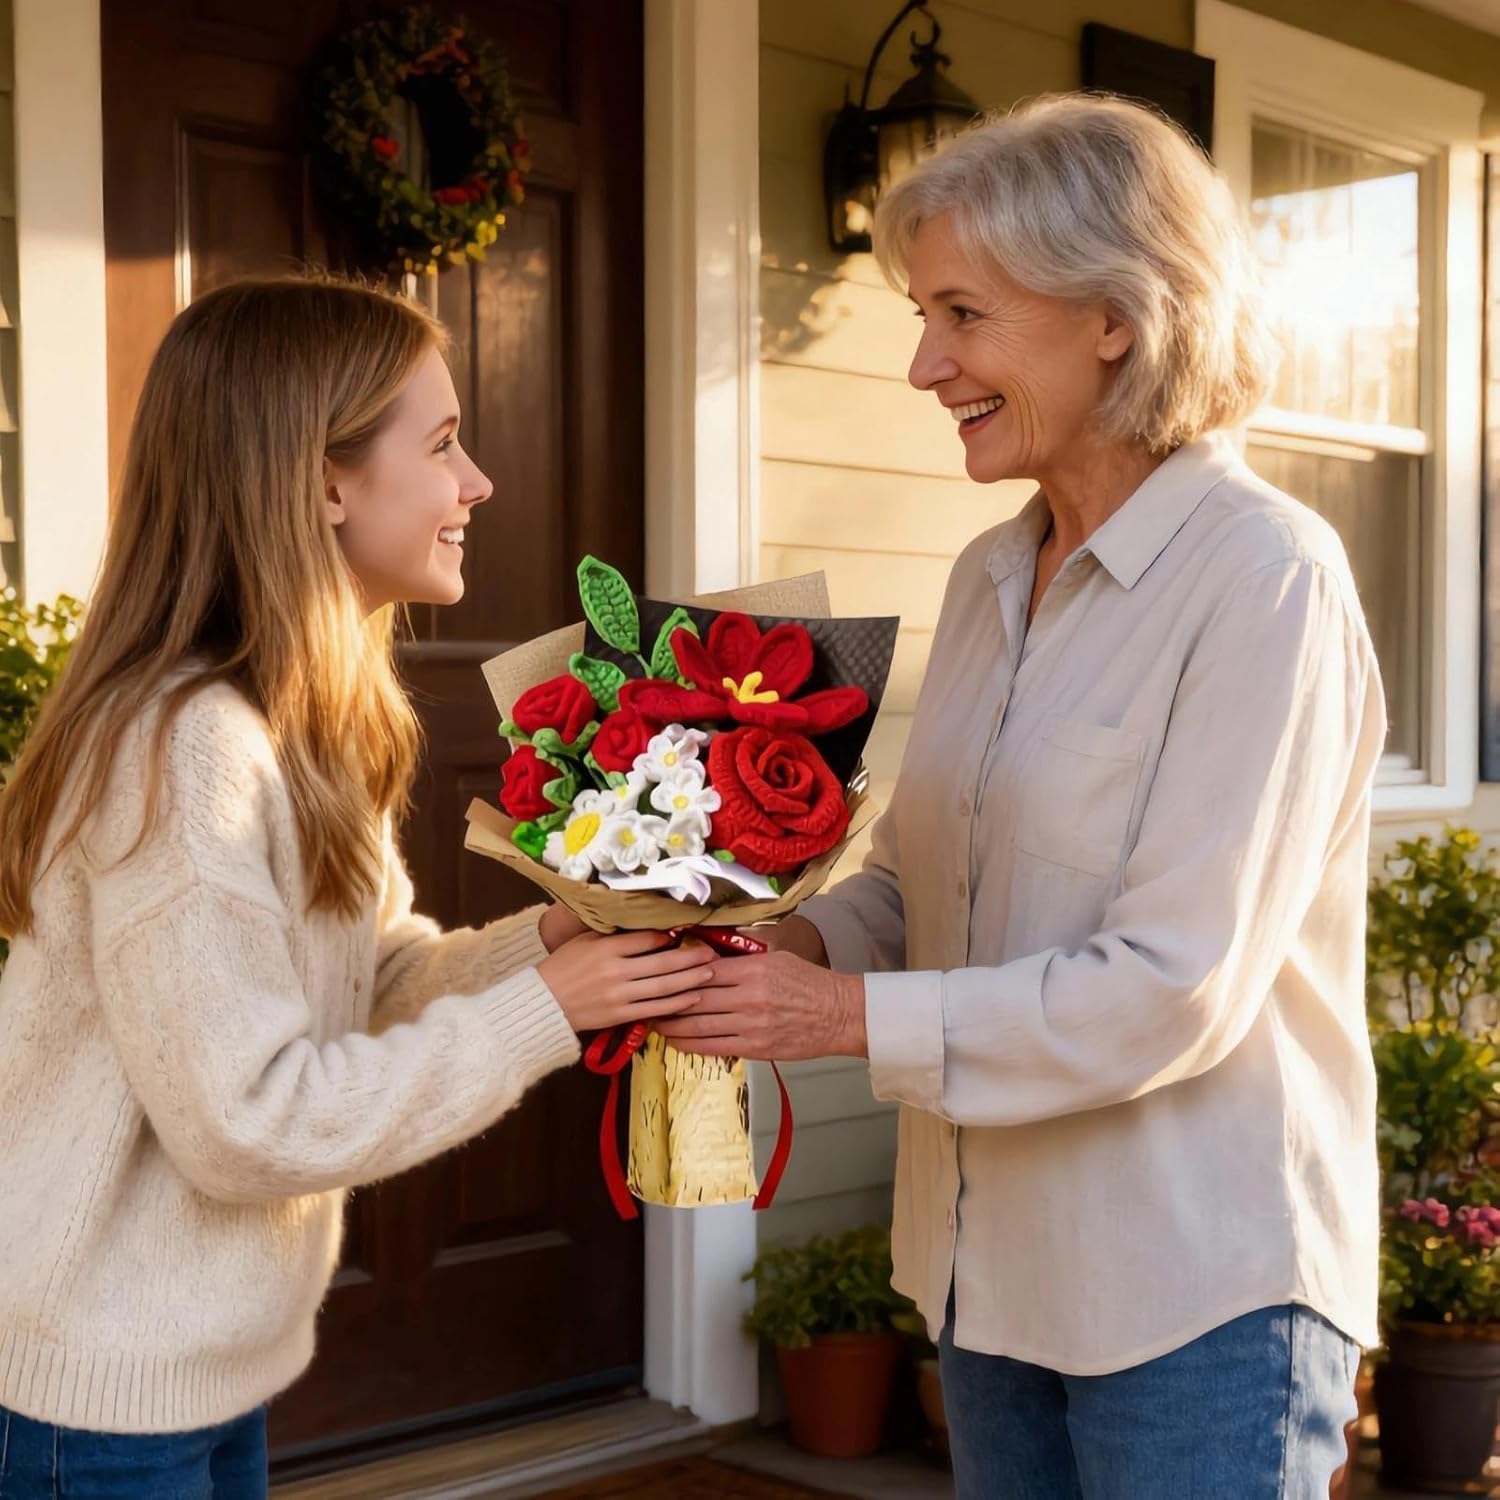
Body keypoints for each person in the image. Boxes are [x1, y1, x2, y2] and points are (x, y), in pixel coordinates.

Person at [656, 95, 1385, 1499]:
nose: (925, 365)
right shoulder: (991, 573)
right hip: (983, 1279)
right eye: (923, 317)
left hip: (1194, 1302)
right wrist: (765, 952)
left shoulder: (1266, 579)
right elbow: (922, 884)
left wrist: (836, 1018)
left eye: (963, 315)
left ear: (1115, 314)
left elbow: (1174, 985)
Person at [0, 275, 713, 1499]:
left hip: (199, 1369)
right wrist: (548, 1012)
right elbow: (248, 1124)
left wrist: (552, 943)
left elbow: (374, 975)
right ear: (324, 481)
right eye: (441, 445)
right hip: (93, 1397)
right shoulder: (184, 747)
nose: (477, 482)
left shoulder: (299, 724)